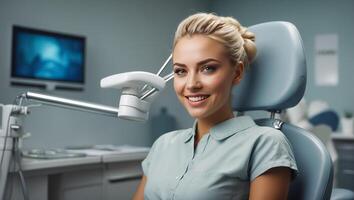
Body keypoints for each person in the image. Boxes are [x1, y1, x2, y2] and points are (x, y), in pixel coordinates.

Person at [133, 13, 298, 200]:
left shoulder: (266, 143)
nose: (191, 84)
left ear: (237, 73)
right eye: (181, 71)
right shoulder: (163, 145)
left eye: (208, 68)